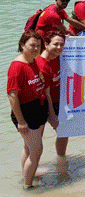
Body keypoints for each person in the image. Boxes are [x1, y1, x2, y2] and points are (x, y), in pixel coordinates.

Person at [7, 30, 57, 189]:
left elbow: (42, 87)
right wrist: (21, 122)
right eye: (32, 45)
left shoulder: (33, 61)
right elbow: (12, 96)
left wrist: (50, 113)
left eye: (38, 46)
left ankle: (28, 174)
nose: (36, 49)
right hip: (26, 112)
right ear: (22, 45)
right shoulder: (17, 67)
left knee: (29, 148)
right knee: (37, 151)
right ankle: (28, 187)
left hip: (38, 108)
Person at [36, 31, 68, 156]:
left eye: (62, 44)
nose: (59, 47)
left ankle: (61, 159)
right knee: (36, 140)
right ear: (46, 44)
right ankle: (34, 169)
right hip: (42, 103)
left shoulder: (58, 56)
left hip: (59, 101)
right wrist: (52, 115)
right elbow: (46, 94)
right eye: (55, 44)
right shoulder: (42, 65)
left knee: (64, 132)